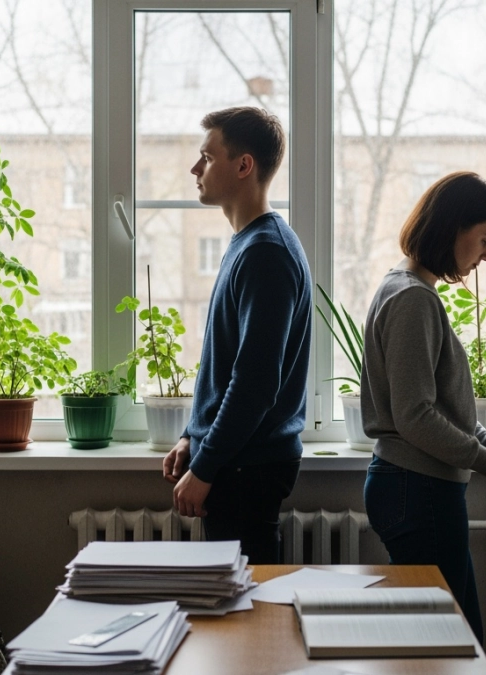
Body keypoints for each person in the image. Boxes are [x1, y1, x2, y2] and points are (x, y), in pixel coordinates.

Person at [360, 171, 486, 644]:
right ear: (452, 228)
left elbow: (447, 411)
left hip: (416, 489)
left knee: (447, 641)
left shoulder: (405, 288)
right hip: (417, 491)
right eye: (485, 239)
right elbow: (416, 416)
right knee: (449, 647)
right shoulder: (412, 299)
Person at [162, 107, 313, 564]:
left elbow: (255, 383)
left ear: (244, 165)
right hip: (239, 461)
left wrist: (206, 467)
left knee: (246, 612)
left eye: (207, 157)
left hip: (248, 468)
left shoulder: (265, 252)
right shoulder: (248, 244)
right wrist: (193, 435)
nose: (195, 168)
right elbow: (227, 365)